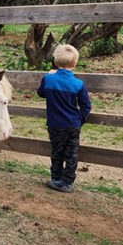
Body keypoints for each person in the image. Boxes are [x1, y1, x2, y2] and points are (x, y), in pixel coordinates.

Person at [36, 44, 91, 193]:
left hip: (55, 125)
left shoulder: (48, 79)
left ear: (55, 62)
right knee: (71, 154)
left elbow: (41, 93)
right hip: (73, 125)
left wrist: (51, 75)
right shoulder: (78, 84)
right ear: (74, 64)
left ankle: (56, 179)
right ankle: (68, 182)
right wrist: (80, 121)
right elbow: (86, 106)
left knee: (57, 152)